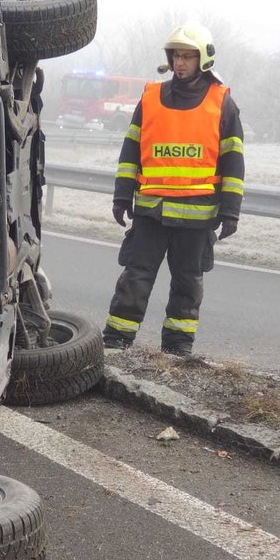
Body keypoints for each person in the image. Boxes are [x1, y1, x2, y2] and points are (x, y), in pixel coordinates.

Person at [102, 23, 245, 357]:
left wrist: (230, 211)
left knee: (187, 284)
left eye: (188, 56)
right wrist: (122, 195)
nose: (180, 63)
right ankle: (116, 343)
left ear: (203, 59)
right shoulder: (151, 97)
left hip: (197, 216)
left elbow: (234, 162)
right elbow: (131, 152)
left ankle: (177, 349)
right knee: (135, 279)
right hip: (152, 211)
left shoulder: (223, 102)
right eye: (176, 56)